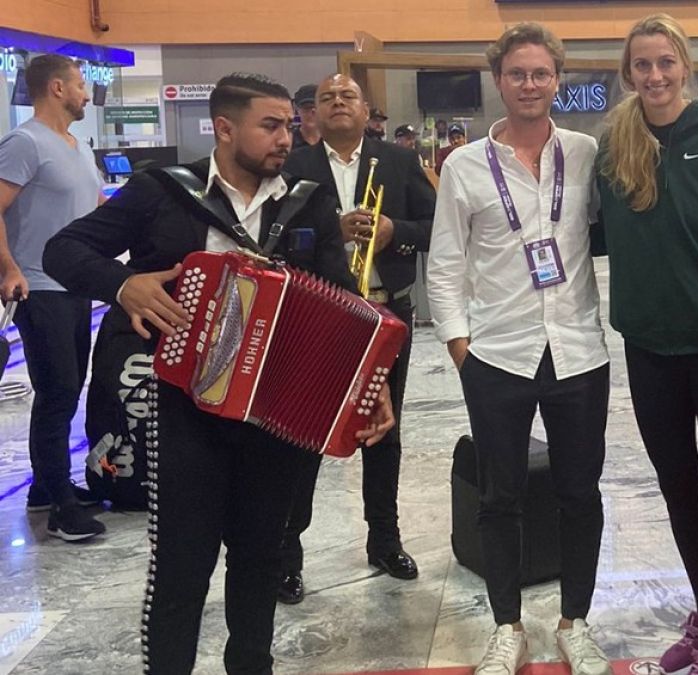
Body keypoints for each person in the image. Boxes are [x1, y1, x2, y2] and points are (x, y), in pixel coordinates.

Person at [42, 72, 395, 674]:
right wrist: (123, 285)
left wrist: (372, 385)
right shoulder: (163, 192)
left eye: (289, 124)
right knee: (182, 565)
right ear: (225, 128)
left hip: (274, 416)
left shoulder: (305, 200)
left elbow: (345, 302)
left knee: (260, 559)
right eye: (271, 125)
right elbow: (64, 251)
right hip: (185, 411)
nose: (288, 136)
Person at [427, 22, 612, 675]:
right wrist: (460, 348)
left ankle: (575, 621)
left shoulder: (588, 153)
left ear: (557, 79)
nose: (529, 84)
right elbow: (445, 266)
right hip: (498, 356)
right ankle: (507, 626)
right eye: (517, 74)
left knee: (579, 492)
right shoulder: (464, 166)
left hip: (579, 352)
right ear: (498, 81)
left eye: (540, 73)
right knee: (499, 497)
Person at [595, 14, 698, 673]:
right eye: (642, 65)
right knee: (675, 484)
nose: (655, 75)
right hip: (649, 349)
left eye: (665, 62)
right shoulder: (617, 145)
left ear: (685, 65)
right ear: (628, 73)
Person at [279, 72, 436, 603]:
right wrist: (329, 232)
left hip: (386, 314)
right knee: (304, 435)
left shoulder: (397, 160)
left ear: (367, 110)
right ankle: (287, 554)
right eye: (327, 97)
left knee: (383, 430)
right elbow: (271, 241)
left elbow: (433, 225)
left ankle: (384, 539)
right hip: (318, 316)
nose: (338, 102)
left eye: (348, 96)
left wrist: (395, 231)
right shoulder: (292, 167)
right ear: (313, 114)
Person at [0, 54, 106, 541]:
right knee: (58, 391)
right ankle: (62, 506)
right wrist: (9, 267)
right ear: (58, 88)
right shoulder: (24, 142)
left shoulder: (77, 145)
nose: (88, 93)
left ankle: (46, 487)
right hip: (39, 286)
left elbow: (95, 213)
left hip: (77, 286)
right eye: (82, 84)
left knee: (68, 388)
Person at [291, 84, 321, 148]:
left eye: (316, 107)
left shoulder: (333, 142)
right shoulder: (289, 142)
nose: (312, 111)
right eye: (306, 108)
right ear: (296, 109)